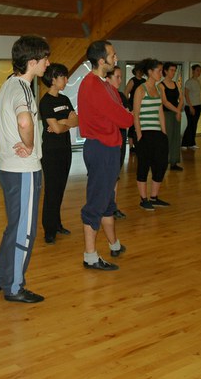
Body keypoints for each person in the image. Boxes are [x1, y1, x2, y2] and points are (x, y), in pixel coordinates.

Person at [0, 35, 49, 303]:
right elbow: (25, 121)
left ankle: (1, 273)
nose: (48, 63)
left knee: (15, 226)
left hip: (9, 168)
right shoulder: (23, 87)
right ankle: (14, 286)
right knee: (25, 231)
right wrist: (30, 144)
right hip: (23, 170)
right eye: (45, 59)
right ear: (32, 61)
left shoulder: (8, 84)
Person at [77, 40, 133, 272]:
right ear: (101, 61)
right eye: (112, 55)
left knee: (108, 201)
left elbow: (120, 110)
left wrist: (124, 113)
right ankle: (90, 256)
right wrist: (127, 114)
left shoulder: (104, 84)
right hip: (101, 149)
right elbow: (124, 118)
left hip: (109, 148)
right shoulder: (93, 85)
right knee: (96, 203)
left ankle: (114, 244)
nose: (116, 58)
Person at [39, 63, 78, 244]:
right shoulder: (45, 102)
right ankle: (49, 230)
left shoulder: (65, 99)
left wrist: (61, 123)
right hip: (51, 152)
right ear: (53, 79)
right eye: (63, 77)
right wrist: (64, 122)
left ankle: (57, 224)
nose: (66, 80)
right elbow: (54, 129)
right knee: (52, 190)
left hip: (65, 150)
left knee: (60, 189)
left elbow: (77, 121)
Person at [133, 58, 170, 209]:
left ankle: (154, 197)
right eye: (158, 71)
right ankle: (144, 199)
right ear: (150, 72)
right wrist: (139, 135)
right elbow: (135, 115)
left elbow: (160, 112)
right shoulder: (141, 89)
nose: (161, 73)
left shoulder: (159, 89)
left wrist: (164, 133)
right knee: (144, 166)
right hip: (145, 133)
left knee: (161, 165)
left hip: (158, 133)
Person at [106, 65, 129, 220]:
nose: (120, 80)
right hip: (108, 141)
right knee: (106, 176)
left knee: (115, 175)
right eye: (117, 77)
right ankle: (106, 207)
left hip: (120, 138)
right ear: (108, 78)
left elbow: (127, 117)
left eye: (121, 77)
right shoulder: (105, 96)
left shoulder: (120, 96)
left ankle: (112, 207)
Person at [159, 61, 183, 171]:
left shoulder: (176, 84)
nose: (173, 72)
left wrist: (178, 111)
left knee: (176, 137)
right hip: (166, 114)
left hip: (176, 113)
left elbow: (181, 99)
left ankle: (174, 162)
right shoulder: (161, 85)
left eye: (175, 70)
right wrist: (177, 111)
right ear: (165, 71)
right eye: (171, 70)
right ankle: (163, 161)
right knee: (167, 138)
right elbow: (165, 102)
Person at [182, 64, 201, 150]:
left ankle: (192, 143)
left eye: (200, 70)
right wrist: (190, 106)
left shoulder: (198, 81)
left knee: (194, 125)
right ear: (193, 71)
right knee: (190, 125)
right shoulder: (189, 81)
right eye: (197, 70)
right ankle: (184, 143)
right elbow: (186, 95)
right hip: (190, 106)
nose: (199, 72)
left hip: (198, 105)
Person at [125, 65, 145, 152]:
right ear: (135, 71)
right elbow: (126, 92)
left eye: (141, 71)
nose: (140, 72)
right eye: (138, 71)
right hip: (133, 106)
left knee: (141, 125)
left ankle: (139, 144)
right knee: (132, 126)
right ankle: (131, 146)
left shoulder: (144, 81)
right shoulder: (132, 81)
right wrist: (129, 106)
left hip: (142, 105)